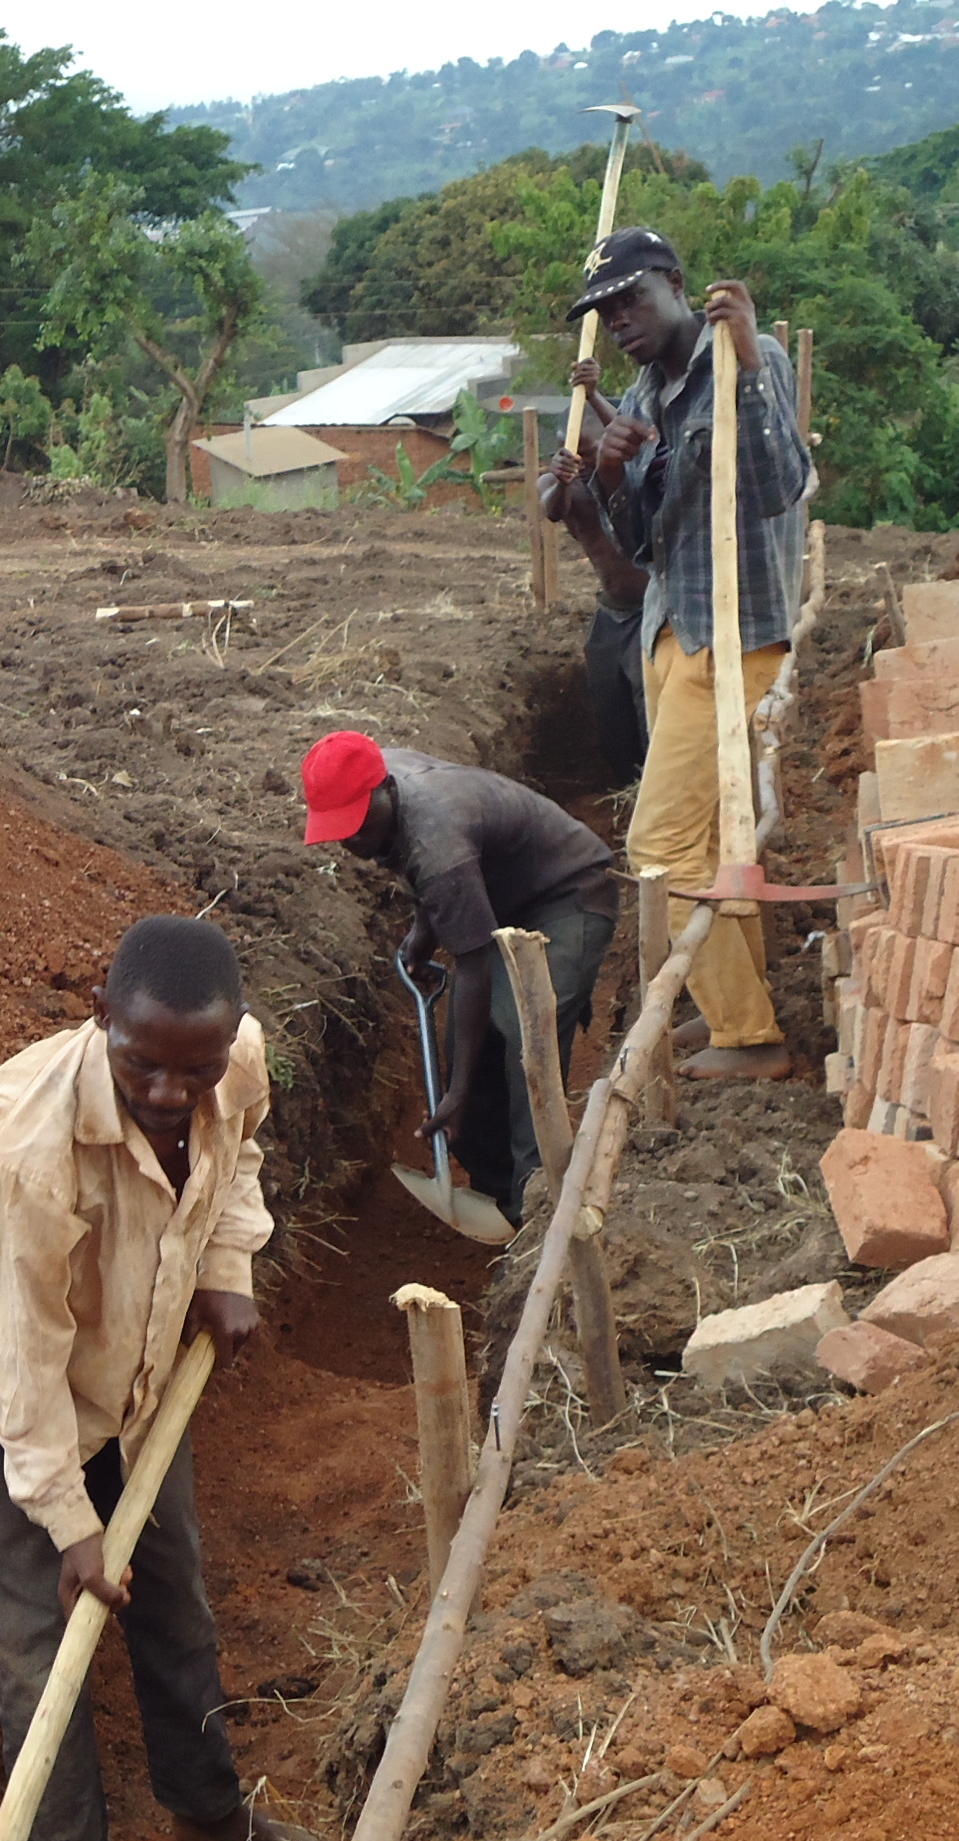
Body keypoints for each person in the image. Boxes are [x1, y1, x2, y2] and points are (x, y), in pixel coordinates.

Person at [0, 915, 316, 1841]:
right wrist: (67, 1520)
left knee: (173, 1589)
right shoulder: (27, 1150)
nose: (170, 1092)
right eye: (144, 1064)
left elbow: (241, 1164)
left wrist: (228, 1266)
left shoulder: (236, 1063)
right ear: (100, 1022)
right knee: (34, 1640)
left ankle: (210, 1813)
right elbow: (25, 1365)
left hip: (140, 1353)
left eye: (197, 1068)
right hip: (10, 1368)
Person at [575, 226, 813, 1082]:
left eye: (632, 297)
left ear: (677, 284)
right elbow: (643, 545)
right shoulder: (644, 393)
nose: (620, 320)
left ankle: (748, 1038)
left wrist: (747, 362)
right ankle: (732, 1011)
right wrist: (611, 476)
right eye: (605, 311)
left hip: (738, 636)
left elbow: (779, 482)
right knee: (715, 845)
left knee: (660, 847)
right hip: (674, 633)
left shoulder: (750, 357)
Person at [300, 732, 618, 1226]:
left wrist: (457, 1093)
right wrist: (423, 931)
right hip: (503, 894)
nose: (350, 839)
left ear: (384, 788)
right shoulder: (387, 785)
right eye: (337, 827)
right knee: (472, 1038)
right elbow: (437, 881)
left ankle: (539, 1203)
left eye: (357, 823)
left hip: (569, 891)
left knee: (523, 1034)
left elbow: (472, 960)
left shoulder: (436, 838)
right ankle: (496, 1188)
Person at [540, 365, 650, 782]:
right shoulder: (562, 486)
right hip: (612, 611)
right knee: (608, 698)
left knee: (649, 699)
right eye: (577, 455)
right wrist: (564, 480)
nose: (587, 463)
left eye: (592, 453)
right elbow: (552, 509)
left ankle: (655, 786)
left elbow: (649, 438)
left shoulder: (636, 474)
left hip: (653, 608)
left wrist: (595, 393)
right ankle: (625, 784)